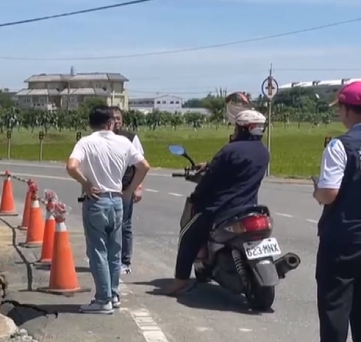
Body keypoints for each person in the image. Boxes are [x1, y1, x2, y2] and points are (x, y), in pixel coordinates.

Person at [295, 81, 361, 342]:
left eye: (341, 109)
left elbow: (329, 193)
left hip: (344, 237)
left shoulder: (341, 146)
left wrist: (316, 191)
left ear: (348, 110)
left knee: (336, 305)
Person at [163, 109, 270, 295]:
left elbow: (209, 180)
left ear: (242, 128)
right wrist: (210, 164)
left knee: (188, 236)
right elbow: (236, 168)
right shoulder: (263, 152)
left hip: (220, 208)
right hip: (249, 207)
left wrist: (197, 197)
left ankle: (179, 282)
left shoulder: (230, 150)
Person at [66, 107, 150, 314]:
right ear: (110, 123)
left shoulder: (86, 142)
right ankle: (113, 294)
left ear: (91, 124)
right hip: (117, 199)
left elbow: (71, 166)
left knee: (97, 251)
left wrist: (85, 183)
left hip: (96, 199)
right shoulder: (123, 142)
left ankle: (103, 299)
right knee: (115, 251)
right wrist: (130, 189)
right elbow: (144, 166)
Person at [111, 106, 144, 274]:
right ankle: (110, 258)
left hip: (125, 188)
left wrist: (137, 187)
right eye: (113, 118)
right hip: (107, 188)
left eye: (119, 118)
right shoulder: (101, 138)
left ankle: (125, 261)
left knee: (124, 225)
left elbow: (141, 165)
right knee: (108, 225)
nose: (116, 121)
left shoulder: (130, 138)